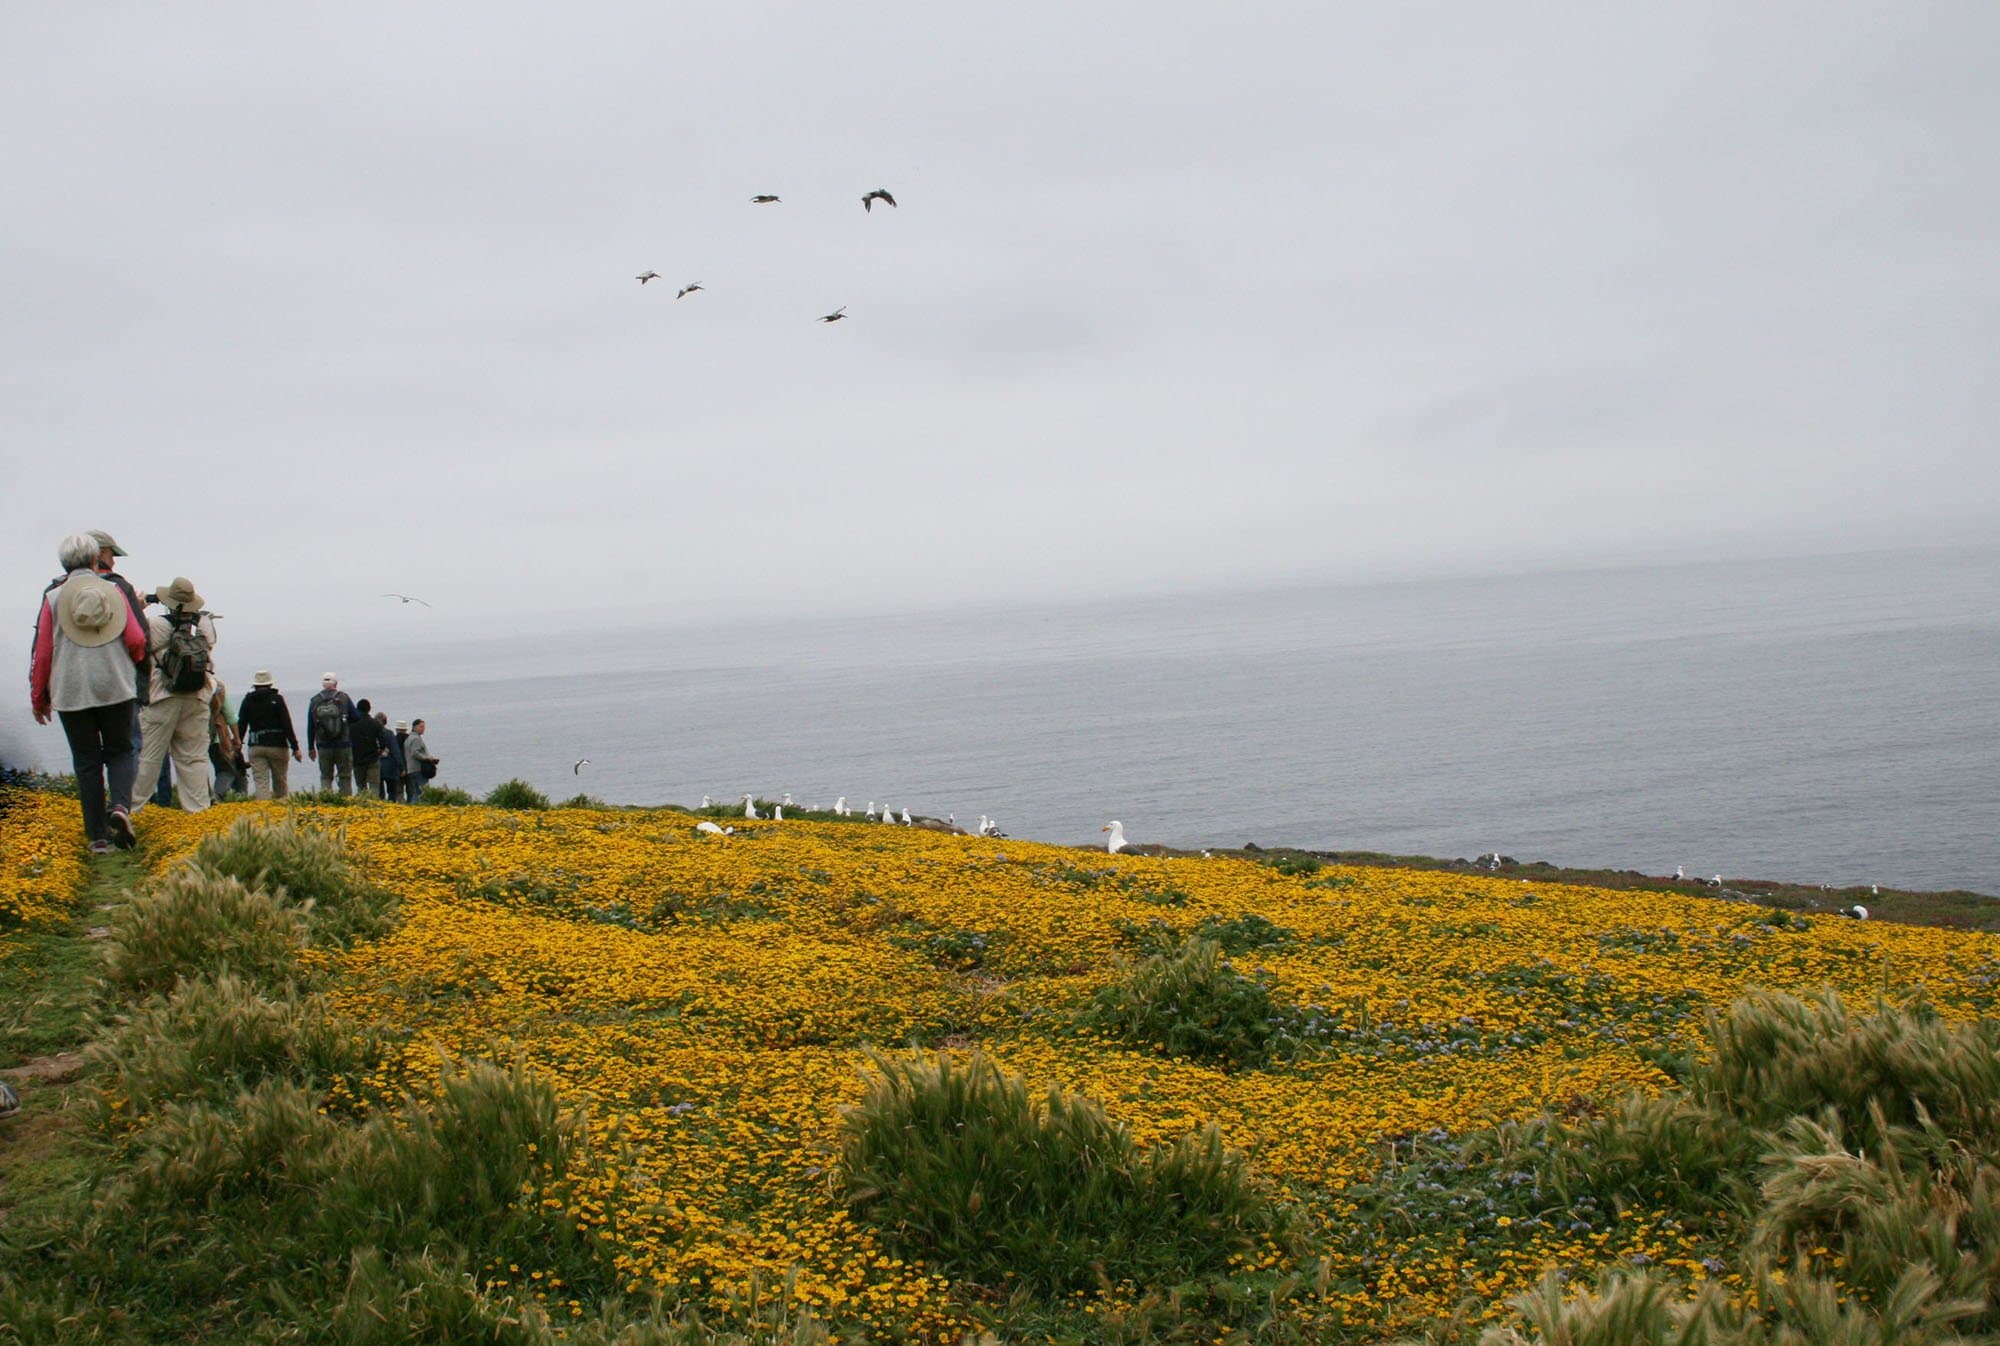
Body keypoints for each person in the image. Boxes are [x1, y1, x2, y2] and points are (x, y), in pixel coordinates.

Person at [29, 533, 150, 852]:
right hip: (115, 685)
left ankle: (97, 837)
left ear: (63, 562)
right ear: (95, 558)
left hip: (71, 689)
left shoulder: (53, 597)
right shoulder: (113, 590)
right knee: (121, 750)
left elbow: (43, 652)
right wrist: (130, 664)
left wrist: (39, 696)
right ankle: (121, 807)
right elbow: (137, 639)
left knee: (86, 761)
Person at [133, 577, 217, 814]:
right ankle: (198, 812)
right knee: (194, 758)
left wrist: (138, 609)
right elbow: (210, 643)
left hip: (162, 697)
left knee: (149, 758)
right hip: (197, 697)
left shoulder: (156, 625)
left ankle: (130, 810)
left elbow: (134, 642)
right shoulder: (204, 626)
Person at [236, 670, 302, 798]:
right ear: (270, 684)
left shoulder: (248, 700)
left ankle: (263, 811)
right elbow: (286, 724)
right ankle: (281, 810)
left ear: (255, 685)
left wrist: (238, 745)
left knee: (261, 782)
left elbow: (242, 724)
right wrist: (295, 747)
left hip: (256, 746)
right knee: (280, 781)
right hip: (278, 746)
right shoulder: (277, 699)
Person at [305, 673, 359, 795]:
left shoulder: (314, 700)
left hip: (323, 745)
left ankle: (327, 801)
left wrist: (311, 748)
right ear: (336, 684)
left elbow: (311, 726)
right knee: (345, 776)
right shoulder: (344, 698)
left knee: (326, 776)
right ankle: (345, 802)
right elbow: (356, 717)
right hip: (343, 744)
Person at [208, 676, 246, 798]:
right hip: (218, 737)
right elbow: (230, 716)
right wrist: (237, 738)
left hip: (198, 738)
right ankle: (219, 797)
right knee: (227, 770)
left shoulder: (193, 688)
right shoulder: (218, 687)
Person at [349, 697, 384, 798]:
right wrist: (380, 750)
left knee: (361, 786)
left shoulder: (351, 724)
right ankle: (374, 805)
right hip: (372, 758)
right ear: (369, 709)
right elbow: (383, 740)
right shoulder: (375, 723)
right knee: (374, 786)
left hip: (357, 759)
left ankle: (363, 805)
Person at [402, 717, 436, 803]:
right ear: (414, 727)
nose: (423, 729)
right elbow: (415, 753)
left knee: (416, 792)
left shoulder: (408, 738)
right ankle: (421, 807)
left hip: (411, 769)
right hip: (418, 769)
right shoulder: (416, 739)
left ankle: (413, 808)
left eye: (423, 727)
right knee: (424, 792)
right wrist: (427, 758)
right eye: (421, 727)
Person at [377, 711, 404, 801]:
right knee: (392, 792)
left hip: (376, 766)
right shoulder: (389, 734)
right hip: (390, 766)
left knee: (379, 793)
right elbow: (396, 751)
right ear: (385, 722)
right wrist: (401, 766)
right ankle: (391, 806)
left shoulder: (372, 733)